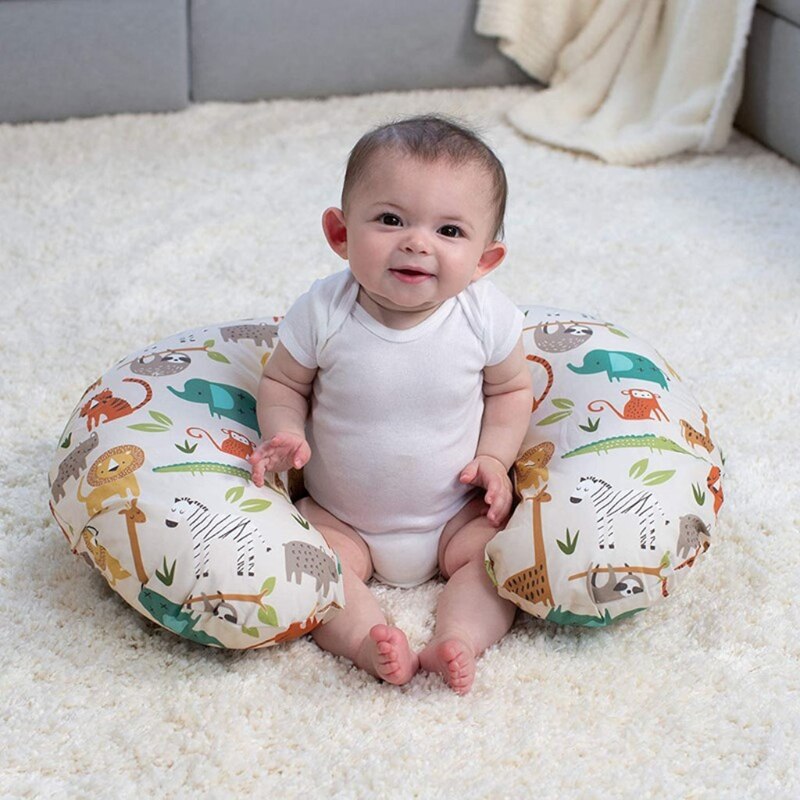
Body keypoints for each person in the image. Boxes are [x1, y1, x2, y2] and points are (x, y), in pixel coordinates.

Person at [249, 115, 533, 694]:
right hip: (342, 518)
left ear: (485, 259)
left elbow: (509, 391)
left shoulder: (485, 315)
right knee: (315, 568)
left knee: (492, 565)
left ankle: (460, 638)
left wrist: (496, 460)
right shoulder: (324, 310)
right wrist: (285, 432)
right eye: (390, 219)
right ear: (341, 234)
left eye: (450, 231)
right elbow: (282, 383)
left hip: (453, 514)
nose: (417, 242)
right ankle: (366, 641)